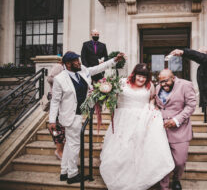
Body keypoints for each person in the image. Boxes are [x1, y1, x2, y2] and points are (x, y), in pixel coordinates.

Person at [49, 51, 125, 184]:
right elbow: (55, 101)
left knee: (69, 145)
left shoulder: (82, 70)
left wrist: (114, 60)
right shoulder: (59, 79)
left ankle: (64, 172)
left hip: (80, 114)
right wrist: (51, 120)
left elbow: (97, 68)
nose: (79, 62)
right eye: (76, 61)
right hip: (70, 116)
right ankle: (72, 175)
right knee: (74, 145)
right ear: (68, 64)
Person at [100, 64, 175, 190]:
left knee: (136, 147)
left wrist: (152, 106)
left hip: (141, 119)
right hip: (123, 120)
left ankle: (137, 176)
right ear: (134, 74)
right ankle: (119, 175)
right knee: (122, 147)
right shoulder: (122, 82)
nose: (141, 79)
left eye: (144, 77)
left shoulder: (150, 86)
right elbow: (113, 96)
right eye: (139, 76)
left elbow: (152, 99)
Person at [156, 69, 197, 190]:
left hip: (180, 130)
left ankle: (176, 179)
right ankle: (164, 186)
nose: (163, 84)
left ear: (173, 78)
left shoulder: (186, 85)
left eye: (166, 81)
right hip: (161, 130)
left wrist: (176, 120)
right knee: (163, 160)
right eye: (161, 82)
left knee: (180, 161)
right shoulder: (157, 88)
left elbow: (191, 105)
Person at [47, 61, 65, 160]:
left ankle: (60, 149)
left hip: (64, 102)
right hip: (56, 100)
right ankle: (58, 150)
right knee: (57, 128)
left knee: (61, 128)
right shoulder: (59, 66)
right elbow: (49, 78)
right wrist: (60, 81)